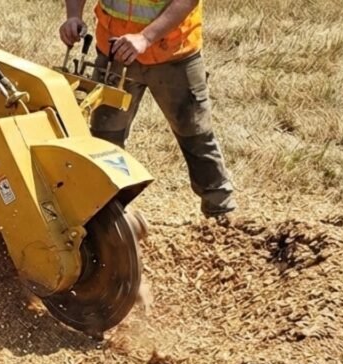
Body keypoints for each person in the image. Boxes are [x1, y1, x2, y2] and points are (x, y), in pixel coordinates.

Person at [60, 0, 236, 217]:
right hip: (115, 53)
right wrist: (73, 15)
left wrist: (145, 38)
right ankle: (106, 215)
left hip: (173, 54)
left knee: (196, 135)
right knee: (105, 141)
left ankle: (221, 213)